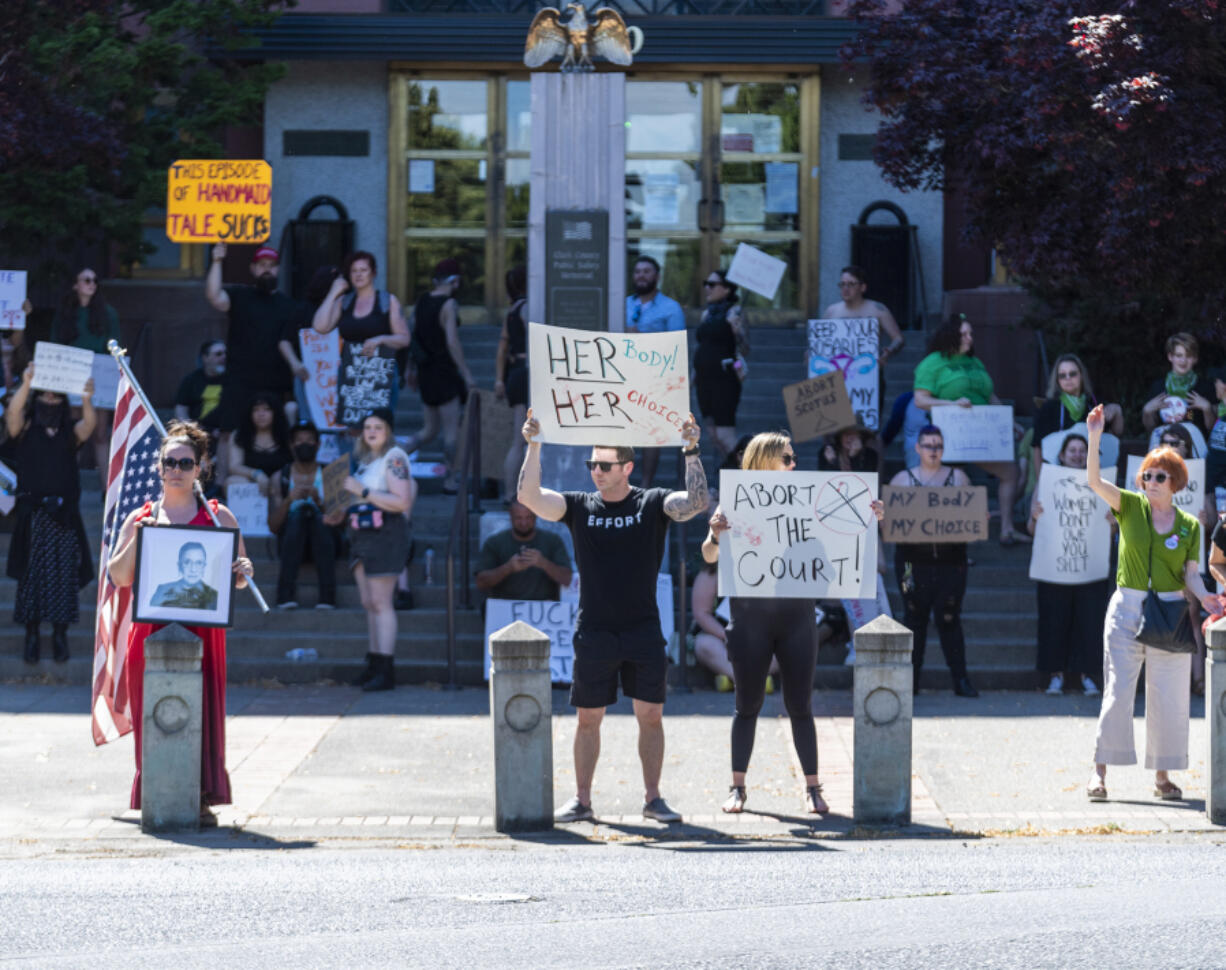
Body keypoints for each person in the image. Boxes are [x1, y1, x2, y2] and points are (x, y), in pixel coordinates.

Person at [517, 407, 709, 824]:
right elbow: (529, 498)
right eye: (591, 464)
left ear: (627, 467)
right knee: (588, 718)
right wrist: (534, 444)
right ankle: (582, 801)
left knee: (651, 715)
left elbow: (696, 502)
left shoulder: (652, 502)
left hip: (642, 628)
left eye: (604, 465)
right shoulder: (579, 506)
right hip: (596, 629)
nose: (596, 472)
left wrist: (691, 449)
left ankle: (653, 799)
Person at [704, 431, 883, 814]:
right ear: (766, 460)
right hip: (750, 619)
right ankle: (737, 788)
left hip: (797, 618)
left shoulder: (810, 502)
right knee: (746, 704)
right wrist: (716, 534)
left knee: (800, 704)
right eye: (787, 459)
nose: (794, 465)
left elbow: (842, 536)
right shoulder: (736, 501)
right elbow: (708, 554)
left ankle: (812, 788)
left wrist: (868, 517)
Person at [106, 420, 254, 826]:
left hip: (203, 630)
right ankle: (156, 789)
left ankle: (202, 795)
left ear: (200, 467)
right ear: (158, 467)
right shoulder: (141, 515)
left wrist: (242, 570)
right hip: (151, 630)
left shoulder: (217, 514)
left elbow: (236, 580)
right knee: (152, 710)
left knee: (203, 711)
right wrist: (140, 536)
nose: (176, 469)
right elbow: (118, 577)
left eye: (185, 462)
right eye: (169, 461)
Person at [1083, 404, 1221, 803]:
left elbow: (1192, 573)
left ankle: (1162, 778)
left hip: (1172, 612)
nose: (1151, 481)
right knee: (1117, 692)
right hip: (1127, 608)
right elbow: (1093, 480)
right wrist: (1095, 435)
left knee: (1169, 697)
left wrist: (1206, 595)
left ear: (1175, 482)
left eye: (1160, 476)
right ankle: (1098, 773)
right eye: (1147, 475)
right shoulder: (1129, 504)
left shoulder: (1190, 525)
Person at [5, 363, 96, 664]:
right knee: (30, 580)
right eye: (44, 396)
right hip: (33, 513)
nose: (50, 400)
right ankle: (32, 635)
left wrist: (86, 399)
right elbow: (12, 415)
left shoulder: (70, 431)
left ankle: (60, 635)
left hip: (64, 515)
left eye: (56, 396)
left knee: (63, 578)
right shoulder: (26, 426)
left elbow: (89, 426)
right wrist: (28, 382)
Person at [912, 314, 1028, 545]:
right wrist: (952, 404)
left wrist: (1009, 421)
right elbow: (920, 399)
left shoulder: (975, 362)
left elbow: (989, 395)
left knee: (1010, 472)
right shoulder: (932, 362)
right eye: (964, 334)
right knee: (955, 480)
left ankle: (1006, 529)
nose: (969, 338)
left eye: (970, 334)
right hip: (950, 433)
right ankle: (955, 540)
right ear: (950, 336)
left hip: (983, 430)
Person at [889, 424, 979, 697]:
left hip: (951, 561)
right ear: (917, 448)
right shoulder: (902, 480)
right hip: (911, 563)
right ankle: (911, 683)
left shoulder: (958, 477)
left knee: (949, 618)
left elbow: (972, 515)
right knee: (914, 619)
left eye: (938, 445)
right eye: (928, 445)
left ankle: (960, 679)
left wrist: (978, 520)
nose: (933, 451)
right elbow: (890, 521)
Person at [1026, 433, 1106, 696]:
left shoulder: (1102, 484)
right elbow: (1030, 528)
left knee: (1090, 623)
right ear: (1061, 455)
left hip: (1089, 565)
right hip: (1054, 566)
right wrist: (1035, 517)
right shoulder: (1046, 483)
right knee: (1053, 622)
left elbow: (1114, 529)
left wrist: (1112, 522)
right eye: (1072, 450)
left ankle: (1087, 676)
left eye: (1082, 451)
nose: (1077, 455)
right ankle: (1054, 675)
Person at [343, 407, 416, 693]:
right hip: (361, 534)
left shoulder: (395, 457)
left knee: (382, 602)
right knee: (369, 602)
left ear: (388, 431)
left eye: (378, 427)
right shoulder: (366, 460)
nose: (372, 432)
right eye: (368, 427)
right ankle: (374, 662)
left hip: (385, 533)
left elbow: (402, 501)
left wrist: (363, 492)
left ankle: (386, 669)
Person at [204, 242, 300, 431]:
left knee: (273, 434)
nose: (267, 269)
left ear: (278, 269)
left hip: (275, 383)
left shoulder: (289, 306)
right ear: (253, 269)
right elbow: (214, 296)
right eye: (262, 265)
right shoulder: (240, 295)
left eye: (271, 265)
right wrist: (216, 260)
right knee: (229, 432)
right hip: (239, 380)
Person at [311, 250, 411, 417]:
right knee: (354, 429)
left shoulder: (387, 301)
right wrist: (333, 293)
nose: (358, 275)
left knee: (379, 427)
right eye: (354, 271)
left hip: (380, 371)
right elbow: (320, 327)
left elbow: (404, 338)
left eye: (363, 270)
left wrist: (381, 339)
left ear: (373, 273)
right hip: (352, 371)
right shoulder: (344, 302)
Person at [403, 258, 474, 493]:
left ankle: (393, 458)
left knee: (429, 429)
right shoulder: (449, 305)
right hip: (443, 371)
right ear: (454, 281)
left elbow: (413, 337)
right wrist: (465, 373)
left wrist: (410, 369)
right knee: (451, 430)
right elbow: (452, 342)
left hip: (425, 371)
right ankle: (450, 479)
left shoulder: (421, 302)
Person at [52, 267, 119, 488]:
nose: (92, 284)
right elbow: (56, 345)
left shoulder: (107, 313)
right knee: (74, 432)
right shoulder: (64, 313)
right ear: (75, 285)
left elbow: (115, 347)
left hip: (99, 377)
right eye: (87, 280)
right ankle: (69, 484)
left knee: (100, 433)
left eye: (95, 280)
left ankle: (108, 490)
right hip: (71, 375)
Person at [625, 254, 686, 486]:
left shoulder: (671, 309)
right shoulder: (623, 304)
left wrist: (640, 339)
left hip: (655, 380)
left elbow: (675, 347)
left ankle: (646, 484)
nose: (641, 276)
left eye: (646, 272)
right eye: (638, 271)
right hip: (625, 377)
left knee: (651, 434)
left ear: (657, 277)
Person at [268, 421, 338, 610]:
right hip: (291, 542)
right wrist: (289, 501)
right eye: (299, 441)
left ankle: (327, 597)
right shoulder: (279, 477)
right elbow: (273, 526)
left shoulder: (330, 474)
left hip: (325, 542)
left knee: (315, 518)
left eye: (309, 440)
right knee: (298, 516)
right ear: (291, 445)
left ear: (318, 445)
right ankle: (285, 595)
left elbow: (341, 521)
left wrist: (319, 502)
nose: (305, 444)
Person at [692, 269, 748, 464]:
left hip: (724, 380)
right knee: (714, 436)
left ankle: (748, 474)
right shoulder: (707, 313)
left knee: (725, 435)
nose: (707, 287)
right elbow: (702, 345)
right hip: (704, 380)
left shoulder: (735, 312)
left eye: (712, 284)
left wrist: (737, 330)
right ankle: (732, 476)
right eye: (706, 283)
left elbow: (745, 348)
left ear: (726, 289)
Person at [1032, 353, 1123, 473]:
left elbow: (1115, 435)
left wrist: (1117, 411)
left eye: (1073, 374)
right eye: (1062, 375)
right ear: (1057, 380)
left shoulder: (1095, 404)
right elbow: (1037, 448)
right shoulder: (1049, 408)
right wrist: (1041, 480)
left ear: (1081, 375)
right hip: (1058, 476)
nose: (1068, 378)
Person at [475, 499, 573, 601]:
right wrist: (508, 568)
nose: (524, 523)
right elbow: (480, 583)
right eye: (518, 518)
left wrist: (543, 563)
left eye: (528, 517)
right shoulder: (494, 542)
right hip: (505, 608)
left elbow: (567, 580)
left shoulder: (553, 541)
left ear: (536, 516)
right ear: (510, 517)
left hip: (544, 609)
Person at [495, 266, 530, 502]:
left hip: (515, 373)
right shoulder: (528, 307)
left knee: (517, 440)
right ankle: (525, 492)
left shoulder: (512, 310)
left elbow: (502, 347)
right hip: (530, 373)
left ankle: (509, 493)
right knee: (529, 440)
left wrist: (499, 379)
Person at [822, 265, 905, 364]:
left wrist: (889, 351)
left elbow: (898, 338)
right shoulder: (831, 311)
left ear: (863, 287)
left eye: (851, 284)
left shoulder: (878, 310)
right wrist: (811, 353)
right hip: (838, 373)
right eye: (842, 284)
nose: (846, 288)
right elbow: (821, 342)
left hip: (869, 371)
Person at [1141, 333, 1216, 435]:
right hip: (1164, 445)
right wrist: (1147, 411)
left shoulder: (1206, 386)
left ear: (1195, 359)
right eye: (1178, 355)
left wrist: (1207, 408)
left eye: (1188, 356)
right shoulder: (1158, 386)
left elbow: (1212, 430)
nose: (1183, 361)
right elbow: (1151, 430)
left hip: (1195, 445)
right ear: (1170, 357)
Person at [226, 393, 291, 497]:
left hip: (281, 486)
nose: (261, 414)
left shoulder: (286, 435)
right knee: (233, 481)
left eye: (267, 409)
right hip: (253, 483)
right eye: (256, 410)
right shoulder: (239, 435)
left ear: (275, 413)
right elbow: (234, 466)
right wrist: (256, 474)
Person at [174, 340, 228, 428]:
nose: (224, 357)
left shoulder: (234, 380)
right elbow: (181, 409)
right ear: (205, 358)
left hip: (227, 433)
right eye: (218, 354)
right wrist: (190, 429)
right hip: (199, 432)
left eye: (226, 353)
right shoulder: (191, 380)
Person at [150, 542, 219, 610]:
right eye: (187, 562)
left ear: (204, 566)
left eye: (198, 563)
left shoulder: (214, 597)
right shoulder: (162, 591)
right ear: (179, 565)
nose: (193, 569)